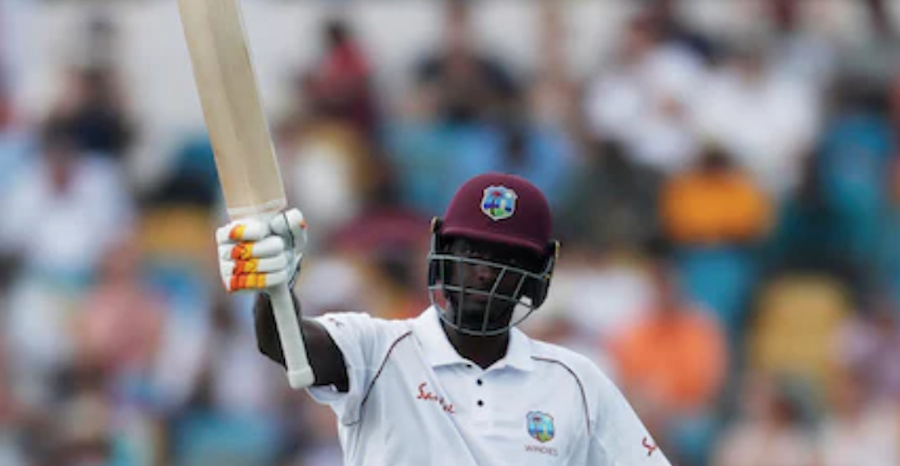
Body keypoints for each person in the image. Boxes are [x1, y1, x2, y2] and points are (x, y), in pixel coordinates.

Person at [215, 172, 671, 465]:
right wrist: (275, 286)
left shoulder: (575, 381)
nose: (485, 271)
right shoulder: (376, 349)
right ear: (442, 253)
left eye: (506, 259)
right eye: (472, 251)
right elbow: (283, 342)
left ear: (536, 276)